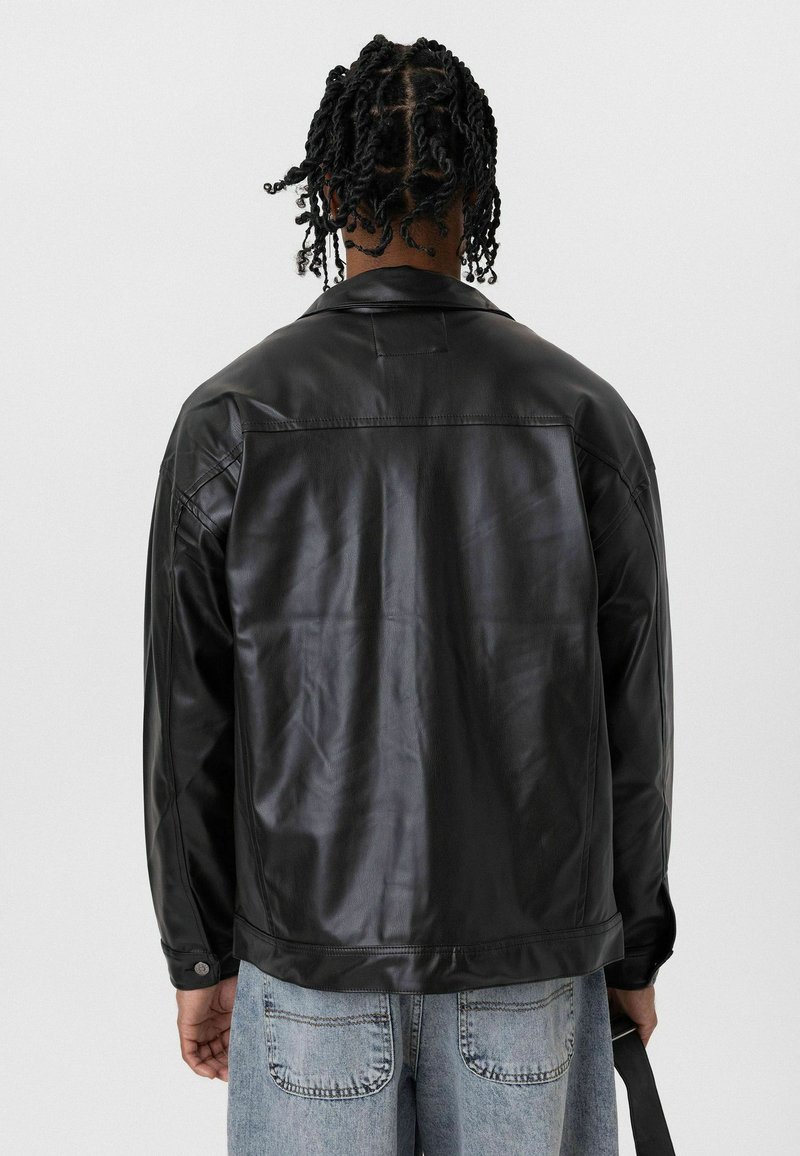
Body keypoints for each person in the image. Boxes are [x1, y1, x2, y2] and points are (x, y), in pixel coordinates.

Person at [142, 34, 677, 1156]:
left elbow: (188, 727)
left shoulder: (231, 419)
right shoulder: (580, 415)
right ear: (476, 194)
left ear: (329, 196)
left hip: (307, 962)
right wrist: (632, 948)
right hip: (530, 961)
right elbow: (634, 722)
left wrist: (198, 955)